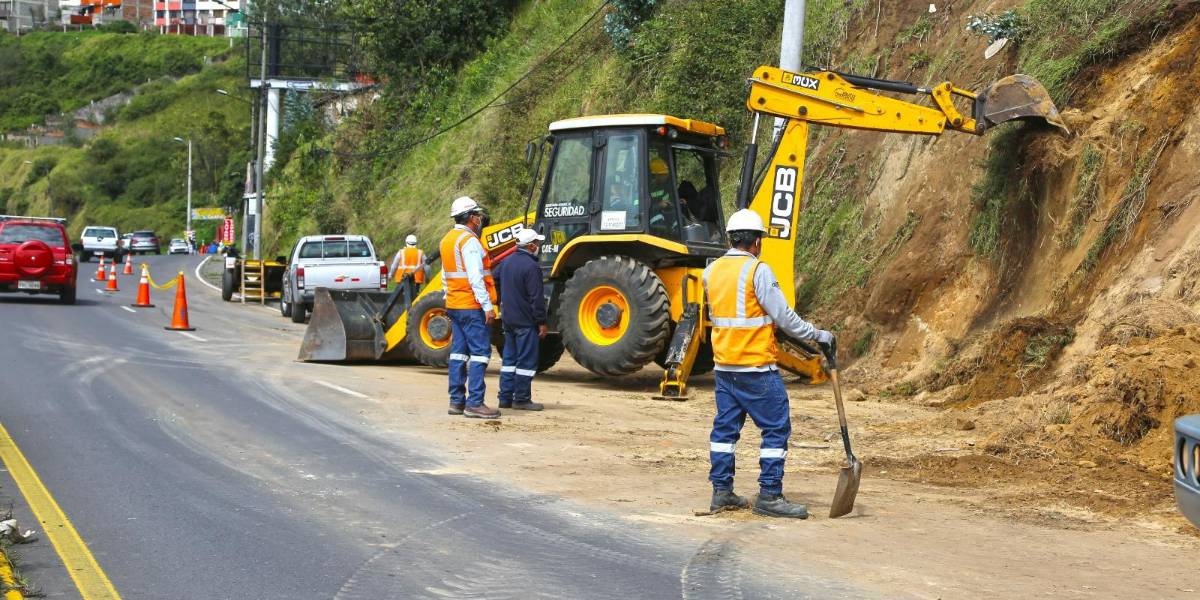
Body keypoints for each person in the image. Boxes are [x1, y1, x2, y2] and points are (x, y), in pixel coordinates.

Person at [703, 208, 835, 519]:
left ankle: (721, 492)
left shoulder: (712, 270)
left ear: (731, 238)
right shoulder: (757, 271)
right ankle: (770, 494)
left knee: (724, 430)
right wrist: (819, 335)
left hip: (724, 368)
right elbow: (785, 318)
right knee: (776, 428)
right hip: (756, 367)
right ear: (757, 242)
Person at [440, 196, 500, 419]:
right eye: (477, 215)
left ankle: (456, 401)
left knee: (458, 353)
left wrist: (450, 299)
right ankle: (475, 403)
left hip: (455, 305)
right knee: (480, 354)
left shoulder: (447, 240)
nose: (479, 219)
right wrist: (487, 306)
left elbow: (446, 277)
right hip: (471, 306)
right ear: (471, 218)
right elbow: (476, 278)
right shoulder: (470, 242)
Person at [496, 228, 548, 411]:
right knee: (526, 362)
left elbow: (493, 279)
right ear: (531, 245)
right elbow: (536, 298)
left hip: (508, 320)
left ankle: (505, 398)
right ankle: (522, 398)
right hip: (526, 322)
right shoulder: (531, 266)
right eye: (538, 243)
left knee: (509, 360)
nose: (539, 247)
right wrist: (541, 321)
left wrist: (500, 299)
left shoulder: (506, 262)